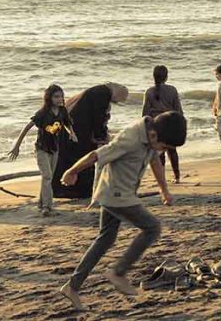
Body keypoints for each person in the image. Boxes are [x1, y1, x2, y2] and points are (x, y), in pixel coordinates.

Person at [58, 111, 186, 313]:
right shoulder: (130, 138)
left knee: (105, 239)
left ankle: (72, 287)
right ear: (153, 136)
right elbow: (97, 155)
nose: (163, 151)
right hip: (116, 195)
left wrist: (164, 189)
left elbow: (155, 161)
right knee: (152, 228)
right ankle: (118, 273)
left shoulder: (152, 137)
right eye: (164, 147)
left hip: (121, 193)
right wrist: (71, 171)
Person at [7, 84, 77, 216]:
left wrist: (72, 133)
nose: (60, 99)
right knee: (47, 176)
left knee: (48, 177)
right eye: (56, 96)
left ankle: (41, 203)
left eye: (61, 96)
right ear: (49, 98)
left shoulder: (62, 111)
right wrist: (17, 146)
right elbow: (27, 127)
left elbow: (67, 123)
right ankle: (47, 206)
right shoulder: (43, 113)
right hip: (42, 149)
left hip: (55, 149)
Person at [53, 83, 130, 200]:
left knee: (67, 159)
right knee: (84, 159)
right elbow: (99, 117)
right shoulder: (103, 94)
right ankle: (81, 191)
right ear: (117, 94)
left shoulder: (97, 91)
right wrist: (102, 138)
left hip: (71, 129)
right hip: (79, 131)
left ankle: (61, 189)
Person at [143, 65, 184, 182]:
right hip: (170, 122)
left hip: (156, 123)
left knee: (159, 153)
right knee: (172, 150)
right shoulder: (172, 90)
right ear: (166, 77)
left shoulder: (149, 91)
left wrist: (145, 128)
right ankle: (177, 176)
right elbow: (178, 109)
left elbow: (145, 113)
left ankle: (162, 178)